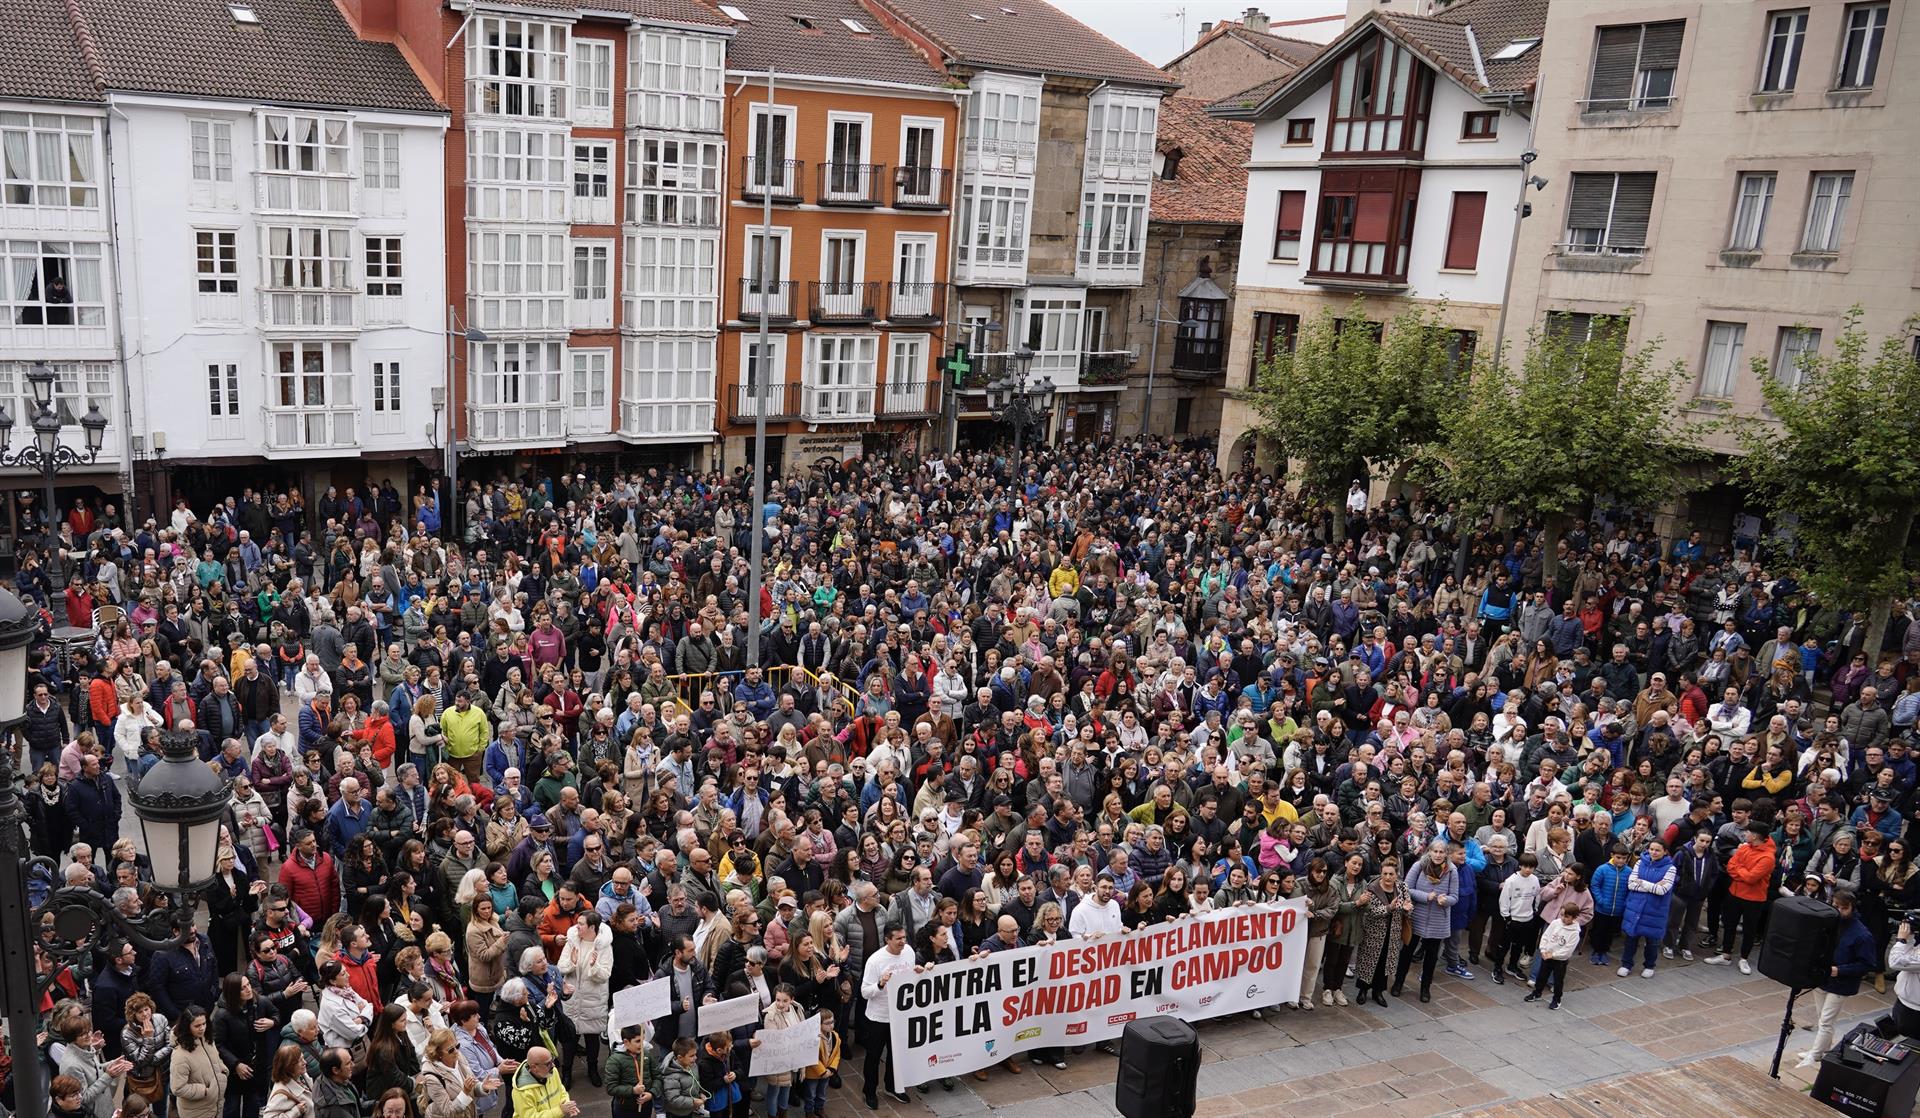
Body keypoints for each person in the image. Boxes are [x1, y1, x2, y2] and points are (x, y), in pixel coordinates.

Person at [1796, 890, 1880, 1067]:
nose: (1839, 911)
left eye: (1844, 908)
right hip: (1823, 978)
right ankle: (1823, 1049)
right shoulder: (1830, 924)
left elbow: (1867, 963)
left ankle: (1815, 1055)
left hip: (1841, 982)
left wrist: (1840, 970)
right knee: (1823, 1018)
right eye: (1836, 906)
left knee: (1826, 1021)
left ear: (1852, 908)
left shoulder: (1862, 934)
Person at [858, 923, 915, 1110]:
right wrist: (880, 984)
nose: (903, 942)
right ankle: (869, 1091)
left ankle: (892, 1087)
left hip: (900, 1015)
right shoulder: (875, 961)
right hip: (879, 1017)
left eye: (904, 937)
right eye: (898, 939)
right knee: (873, 1056)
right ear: (887, 940)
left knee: (896, 1055)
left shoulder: (909, 952)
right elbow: (865, 992)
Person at [169, 1007, 230, 1118]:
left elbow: (216, 1059)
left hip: (216, 1105)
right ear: (187, 1027)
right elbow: (178, 1088)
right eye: (197, 1026)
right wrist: (205, 1091)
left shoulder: (207, 1039)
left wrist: (223, 1072)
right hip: (196, 1111)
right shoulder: (180, 1055)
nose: (202, 1028)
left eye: (204, 1023)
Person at [1527, 903, 1583, 1010]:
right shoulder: (1555, 923)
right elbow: (1545, 936)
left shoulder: (1574, 933)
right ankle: (1537, 993)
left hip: (1560, 961)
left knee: (1558, 981)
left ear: (1574, 917)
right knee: (1541, 976)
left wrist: (1553, 955)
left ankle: (1557, 999)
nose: (1563, 918)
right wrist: (1543, 949)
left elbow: (1567, 950)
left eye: (1566, 916)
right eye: (1562, 915)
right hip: (1547, 956)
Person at [603, 1024, 656, 1118]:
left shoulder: (647, 1054)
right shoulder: (615, 1060)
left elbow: (657, 1077)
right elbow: (611, 1088)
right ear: (626, 1042)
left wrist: (651, 1093)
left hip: (646, 1105)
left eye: (643, 1040)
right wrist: (633, 1090)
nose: (642, 1044)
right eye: (638, 1041)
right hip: (624, 1108)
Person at [511, 1046, 581, 1118]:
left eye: (552, 1060)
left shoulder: (552, 1072)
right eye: (548, 1064)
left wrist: (567, 1104)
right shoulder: (522, 1092)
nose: (553, 1065)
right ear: (534, 1067)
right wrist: (560, 1111)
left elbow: (561, 1090)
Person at [261, 1046, 315, 1118]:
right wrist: (295, 1111)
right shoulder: (281, 1093)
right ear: (289, 1066)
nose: (305, 1062)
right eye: (300, 1060)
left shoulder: (302, 1077)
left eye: (303, 1058)